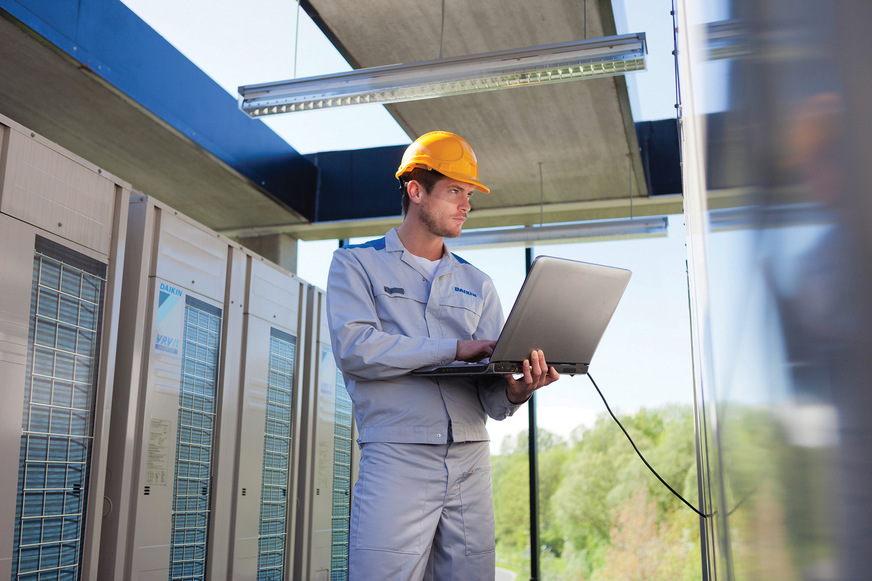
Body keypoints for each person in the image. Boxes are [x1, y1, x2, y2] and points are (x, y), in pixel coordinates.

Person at [325, 130, 559, 581]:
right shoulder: (357, 265)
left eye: (469, 194)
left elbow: (491, 401)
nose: (466, 205)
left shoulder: (479, 283)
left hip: (471, 457)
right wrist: (454, 348)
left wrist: (517, 391)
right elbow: (356, 350)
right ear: (416, 190)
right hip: (398, 453)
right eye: (455, 191)